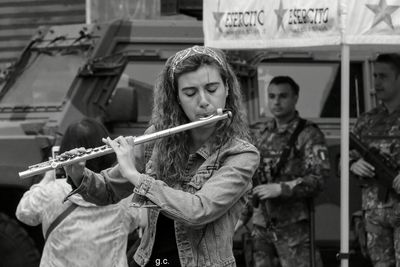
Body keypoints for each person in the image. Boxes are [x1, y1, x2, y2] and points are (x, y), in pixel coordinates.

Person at [62, 45, 260, 267]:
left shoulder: (241, 154)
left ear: (227, 89)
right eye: (190, 93)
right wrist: (79, 173)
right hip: (149, 261)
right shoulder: (157, 137)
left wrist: (134, 175)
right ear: (176, 98)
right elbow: (108, 191)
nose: (203, 101)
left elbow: (198, 211)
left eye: (212, 89)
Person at [16, 118, 143, 267]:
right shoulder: (123, 194)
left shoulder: (51, 192)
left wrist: (48, 177)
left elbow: (24, 213)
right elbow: (136, 223)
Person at [236, 76, 330, 267]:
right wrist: (242, 215)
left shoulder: (308, 134)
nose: (276, 102)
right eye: (271, 96)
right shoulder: (261, 134)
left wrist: (283, 188)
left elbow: (319, 177)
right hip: (261, 223)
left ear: (295, 98)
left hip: (292, 225)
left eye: (283, 96)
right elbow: (252, 180)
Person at [350, 53, 400, 267]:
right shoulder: (366, 121)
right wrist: (353, 164)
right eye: (375, 75)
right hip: (374, 213)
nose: (376, 82)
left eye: (383, 76)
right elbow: (345, 159)